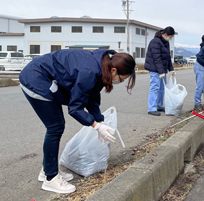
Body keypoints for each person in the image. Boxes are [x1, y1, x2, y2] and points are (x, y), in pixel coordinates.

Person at [19, 49, 136, 194]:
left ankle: (47, 169)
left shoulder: (102, 64)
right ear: (113, 70)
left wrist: (100, 120)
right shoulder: (90, 72)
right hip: (36, 79)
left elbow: (91, 95)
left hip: (45, 76)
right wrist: (96, 126)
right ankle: (50, 179)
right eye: (122, 78)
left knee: (57, 126)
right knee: (55, 127)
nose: (121, 81)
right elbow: (75, 108)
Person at [144, 26, 176, 116]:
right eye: (170, 36)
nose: (171, 38)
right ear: (165, 34)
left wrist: (171, 69)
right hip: (154, 69)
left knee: (162, 89)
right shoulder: (155, 42)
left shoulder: (165, 42)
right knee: (154, 88)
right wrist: (161, 71)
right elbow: (156, 58)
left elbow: (168, 57)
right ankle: (152, 108)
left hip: (162, 69)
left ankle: (159, 105)